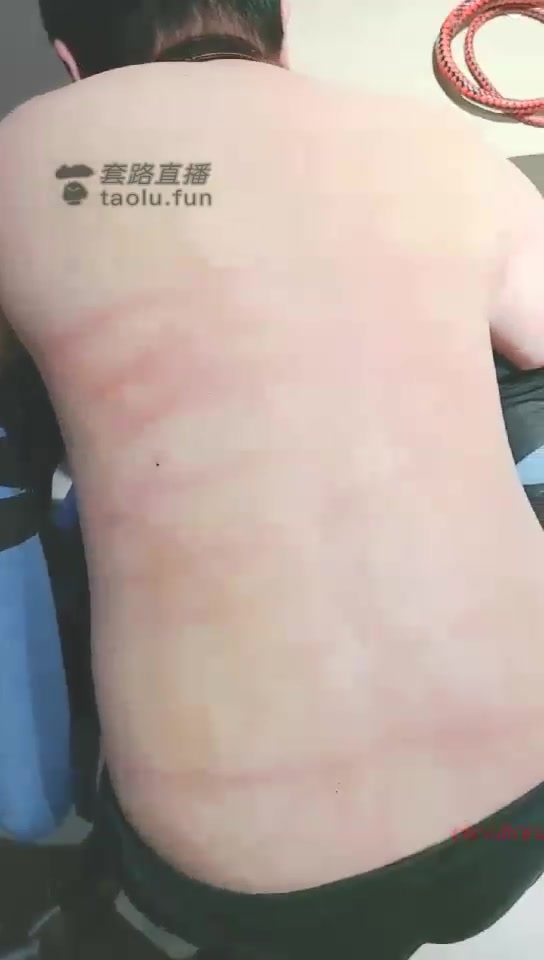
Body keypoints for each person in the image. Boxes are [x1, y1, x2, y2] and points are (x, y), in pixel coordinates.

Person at [1, 1, 544, 956]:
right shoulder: (443, 145)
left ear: (69, 58)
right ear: (281, 24)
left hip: (249, 886)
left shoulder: (22, 152)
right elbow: (536, 344)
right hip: (522, 809)